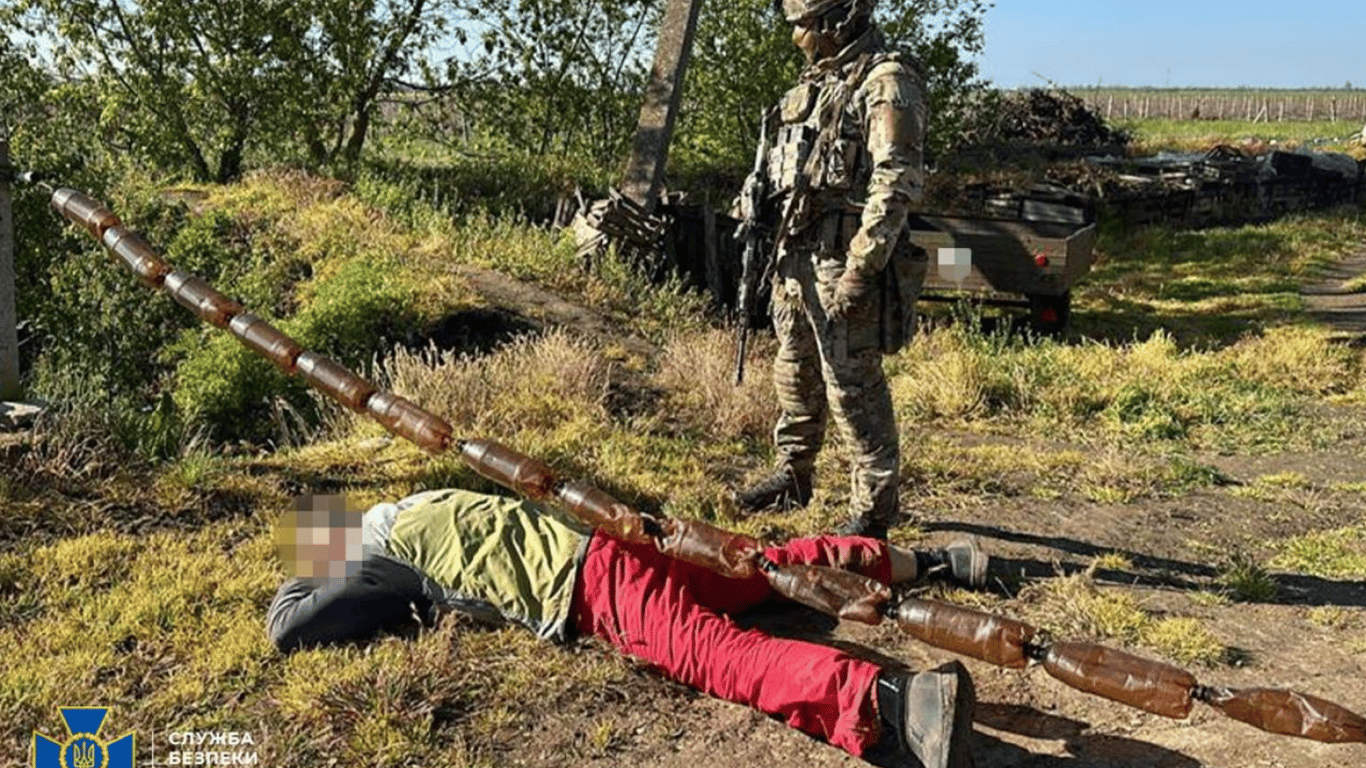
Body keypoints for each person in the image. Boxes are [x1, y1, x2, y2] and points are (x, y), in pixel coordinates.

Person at [267, 488, 989, 768]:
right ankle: (933, 560)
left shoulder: (383, 557)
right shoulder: (414, 505)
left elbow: (289, 629)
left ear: (331, 546)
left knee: (718, 656)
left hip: (592, 585)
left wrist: (303, 578)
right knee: (766, 565)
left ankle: (896, 703)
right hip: (626, 539)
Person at [733, 0, 929, 540]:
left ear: (836, 21)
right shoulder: (815, 84)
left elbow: (895, 184)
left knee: (852, 384)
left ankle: (874, 508)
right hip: (794, 253)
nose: (795, 37)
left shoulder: (885, 80)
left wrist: (861, 270)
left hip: (841, 259)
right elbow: (783, 160)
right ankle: (794, 475)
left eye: (801, 25)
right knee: (793, 369)